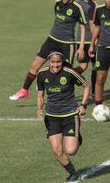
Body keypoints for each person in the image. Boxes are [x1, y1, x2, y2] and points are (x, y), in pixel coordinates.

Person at [10, 0, 86, 101]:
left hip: (67, 44)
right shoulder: (57, 3)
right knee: (35, 65)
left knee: (65, 72)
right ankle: (24, 90)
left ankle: (68, 97)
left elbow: (83, 26)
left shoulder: (77, 8)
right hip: (52, 40)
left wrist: (81, 47)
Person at [36, 52, 90, 182]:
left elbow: (86, 85)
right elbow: (40, 94)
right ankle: (72, 173)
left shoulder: (69, 73)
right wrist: (39, 109)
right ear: (49, 61)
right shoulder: (42, 74)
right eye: (53, 62)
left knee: (71, 151)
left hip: (70, 115)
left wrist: (83, 105)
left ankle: (77, 137)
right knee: (57, 150)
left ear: (62, 61)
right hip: (51, 117)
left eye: (58, 62)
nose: (55, 65)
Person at [75, 0, 101, 99]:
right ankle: (94, 93)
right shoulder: (92, 5)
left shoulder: (79, 2)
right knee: (96, 67)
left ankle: (71, 75)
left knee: (83, 65)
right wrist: (94, 42)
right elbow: (92, 24)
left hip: (79, 39)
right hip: (90, 40)